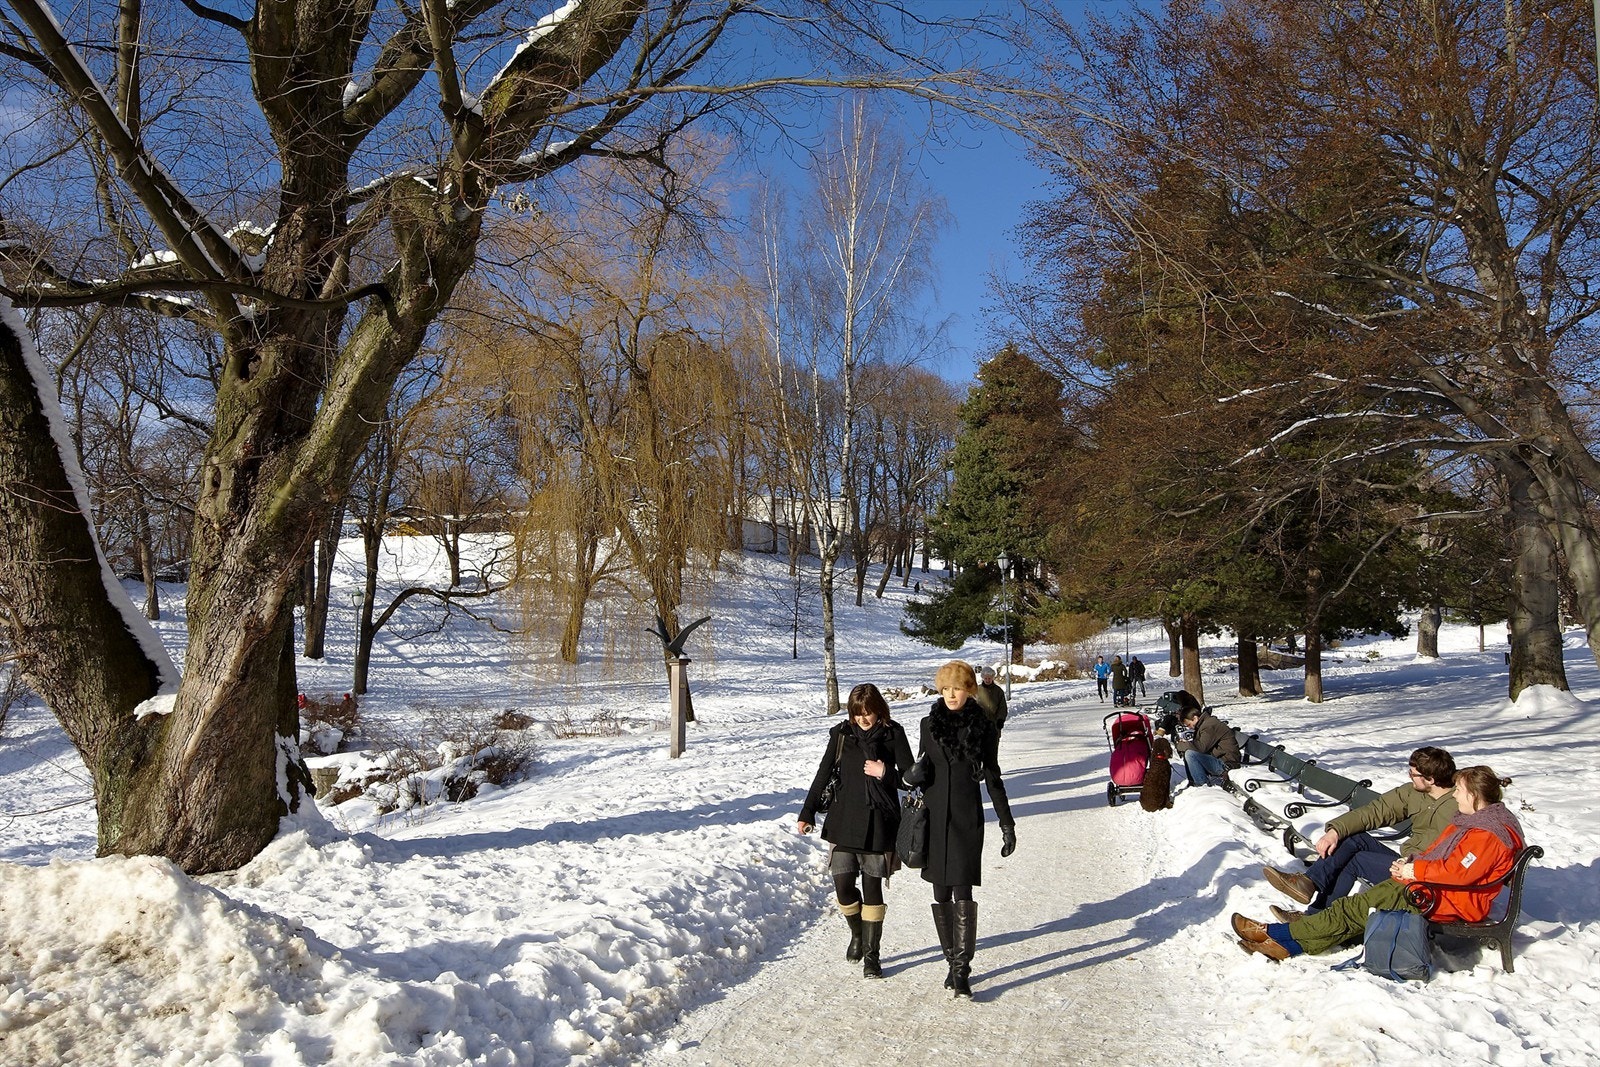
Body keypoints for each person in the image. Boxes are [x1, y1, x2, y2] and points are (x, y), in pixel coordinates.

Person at [1232, 766, 1524, 961]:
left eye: (1459, 791)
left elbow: (1459, 872)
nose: (1455, 795)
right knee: (1356, 908)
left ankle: (1279, 937)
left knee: (1356, 908)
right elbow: (1445, 858)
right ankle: (1288, 942)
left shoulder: (1488, 833)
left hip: (1446, 899)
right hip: (1433, 888)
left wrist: (1414, 870)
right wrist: (1412, 863)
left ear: (1473, 795)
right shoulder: (1478, 821)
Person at [904, 660, 1016, 998]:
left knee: (962, 891)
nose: (951, 695)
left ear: (969, 689)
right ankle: (951, 960)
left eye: (958, 688)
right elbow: (918, 771)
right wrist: (911, 775)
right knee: (940, 893)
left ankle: (962, 969)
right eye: (945, 688)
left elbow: (994, 778)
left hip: (967, 818)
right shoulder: (928, 724)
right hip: (935, 817)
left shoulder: (984, 728)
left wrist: (1007, 823)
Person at [798, 683, 916, 979]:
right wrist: (807, 811)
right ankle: (857, 934)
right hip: (843, 820)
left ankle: (872, 957)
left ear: (879, 709)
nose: (863, 719)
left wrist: (885, 773)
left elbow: (911, 778)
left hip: (879, 820)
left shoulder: (894, 734)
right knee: (843, 887)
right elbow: (823, 772)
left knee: (873, 888)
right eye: (857, 713)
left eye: (868, 712)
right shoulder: (841, 735)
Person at [1260, 747, 1458, 921]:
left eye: (1412, 773)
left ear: (1430, 779)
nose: (1409, 776)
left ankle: (1314, 917)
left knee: (1353, 860)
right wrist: (1335, 831)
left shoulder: (1461, 802)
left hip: (1424, 874)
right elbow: (1377, 811)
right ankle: (1308, 883)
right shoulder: (1414, 792)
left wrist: (1416, 866)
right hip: (1404, 861)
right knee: (1350, 838)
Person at [1173, 694, 1240, 787]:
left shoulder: (1209, 725)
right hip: (1220, 759)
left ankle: (1202, 786)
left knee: (1190, 754)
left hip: (1227, 764)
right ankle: (1192, 783)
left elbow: (1201, 748)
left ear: (1195, 718)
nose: (1189, 727)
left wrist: (1181, 745)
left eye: (1189, 724)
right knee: (1188, 752)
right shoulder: (1204, 724)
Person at [971, 665, 1009, 734]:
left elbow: (1002, 707)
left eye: (989, 678)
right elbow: (972, 705)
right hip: (980, 724)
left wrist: (1000, 719)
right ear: (983, 678)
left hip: (994, 724)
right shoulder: (977, 690)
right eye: (986, 678)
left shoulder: (998, 691)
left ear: (992, 678)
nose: (987, 680)